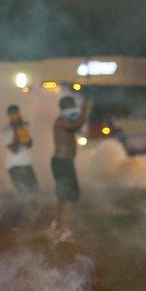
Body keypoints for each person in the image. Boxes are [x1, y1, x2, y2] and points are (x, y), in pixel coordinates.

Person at [50, 95, 90, 243]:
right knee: (71, 196)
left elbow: (78, 127)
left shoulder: (64, 121)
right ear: (66, 108)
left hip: (62, 162)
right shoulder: (61, 122)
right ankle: (62, 230)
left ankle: (59, 226)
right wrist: (85, 109)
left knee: (63, 195)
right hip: (63, 162)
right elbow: (77, 123)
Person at [1, 104, 38, 193]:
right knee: (23, 193)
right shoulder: (6, 130)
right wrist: (16, 130)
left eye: (16, 113)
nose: (15, 116)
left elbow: (29, 144)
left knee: (35, 190)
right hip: (14, 165)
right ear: (9, 116)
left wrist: (22, 129)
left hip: (26, 163)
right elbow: (15, 149)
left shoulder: (25, 126)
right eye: (13, 114)